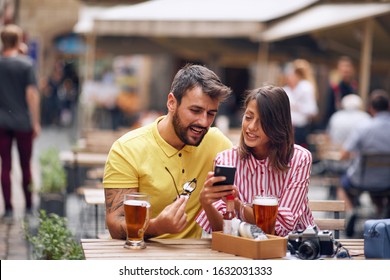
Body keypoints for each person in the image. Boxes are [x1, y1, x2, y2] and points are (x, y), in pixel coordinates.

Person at [103, 64, 233, 239]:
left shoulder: (218, 144)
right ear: (172, 102)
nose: (203, 121)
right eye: (195, 110)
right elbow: (115, 223)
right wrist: (156, 227)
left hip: (192, 259)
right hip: (140, 257)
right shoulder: (126, 149)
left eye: (211, 114)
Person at [196, 85, 315, 237]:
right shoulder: (226, 160)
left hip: (296, 248)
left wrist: (239, 207)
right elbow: (224, 230)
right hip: (243, 250)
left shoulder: (299, 159)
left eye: (262, 121)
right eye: (248, 117)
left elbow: (282, 227)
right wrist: (207, 205)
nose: (251, 127)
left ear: (278, 124)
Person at [0, 24, 41, 219]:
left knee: (5, 166)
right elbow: (31, 94)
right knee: (26, 165)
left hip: (2, 122)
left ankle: (8, 207)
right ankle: (28, 205)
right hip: (23, 122)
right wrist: (36, 122)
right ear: (19, 41)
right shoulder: (26, 64)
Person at [338, 89, 390, 234]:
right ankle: (381, 217)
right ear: (388, 106)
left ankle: (351, 211)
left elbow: (344, 154)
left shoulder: (364, 127)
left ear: (370, 108)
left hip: (362, 180)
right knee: (379, 191)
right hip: (387, 183)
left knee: (341, 185)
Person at [283, 59, 318, 148]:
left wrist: (295, 106)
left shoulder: (305, 87)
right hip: (287, 128)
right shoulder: (286, 90)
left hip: (300, 129)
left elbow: (312, 110)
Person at [323, 56, 358, 128]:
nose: (345, 69)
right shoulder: (334, 88)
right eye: (343, 67)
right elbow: (329, 110)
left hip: (352, 123)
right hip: (337, 123)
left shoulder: (354, 87)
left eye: (347, 66)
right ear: (339, 69)